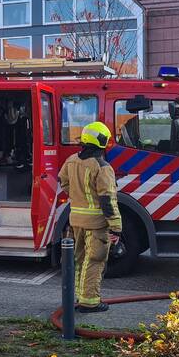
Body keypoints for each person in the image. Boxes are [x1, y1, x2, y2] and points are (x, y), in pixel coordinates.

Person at [57, 121, 122, 313]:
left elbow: (63, 181)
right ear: (102, 142)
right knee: (95, 260)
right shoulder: (102, 167)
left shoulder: (71, 160)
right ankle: (89, 301)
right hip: (97, 224)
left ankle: (77, 297)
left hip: (75, 220)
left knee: (78, 259)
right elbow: (108, 200)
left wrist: (77, 198)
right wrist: (116, 226)